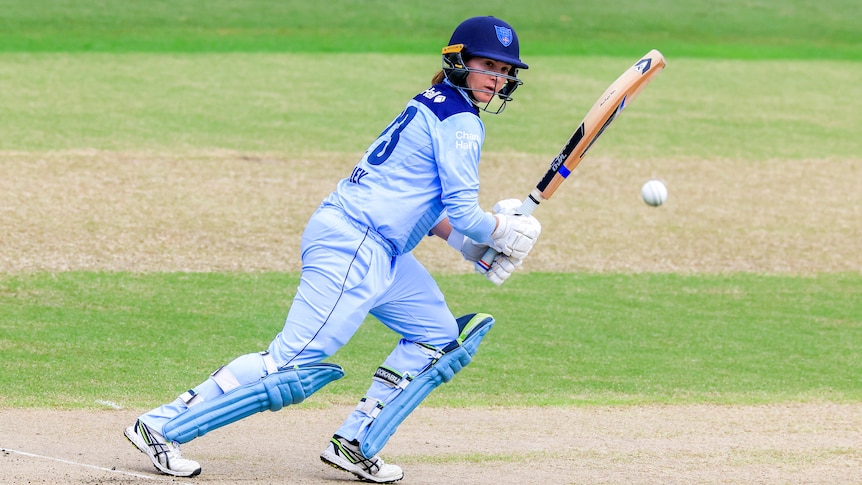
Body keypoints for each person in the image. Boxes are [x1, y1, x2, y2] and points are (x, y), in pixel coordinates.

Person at [123, 16, 541, 484]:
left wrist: (470, 246)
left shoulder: (436, 103)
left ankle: (355, 444)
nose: (498, 78)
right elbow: (465, 211)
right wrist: (502, 229)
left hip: (380, 247)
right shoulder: (460, 120)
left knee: (435, 337)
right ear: (458, 60)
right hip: (355, 243)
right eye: (489, 65)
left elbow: (420, 201)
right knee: (290, 363)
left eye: (506, 70)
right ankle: (160, 425)